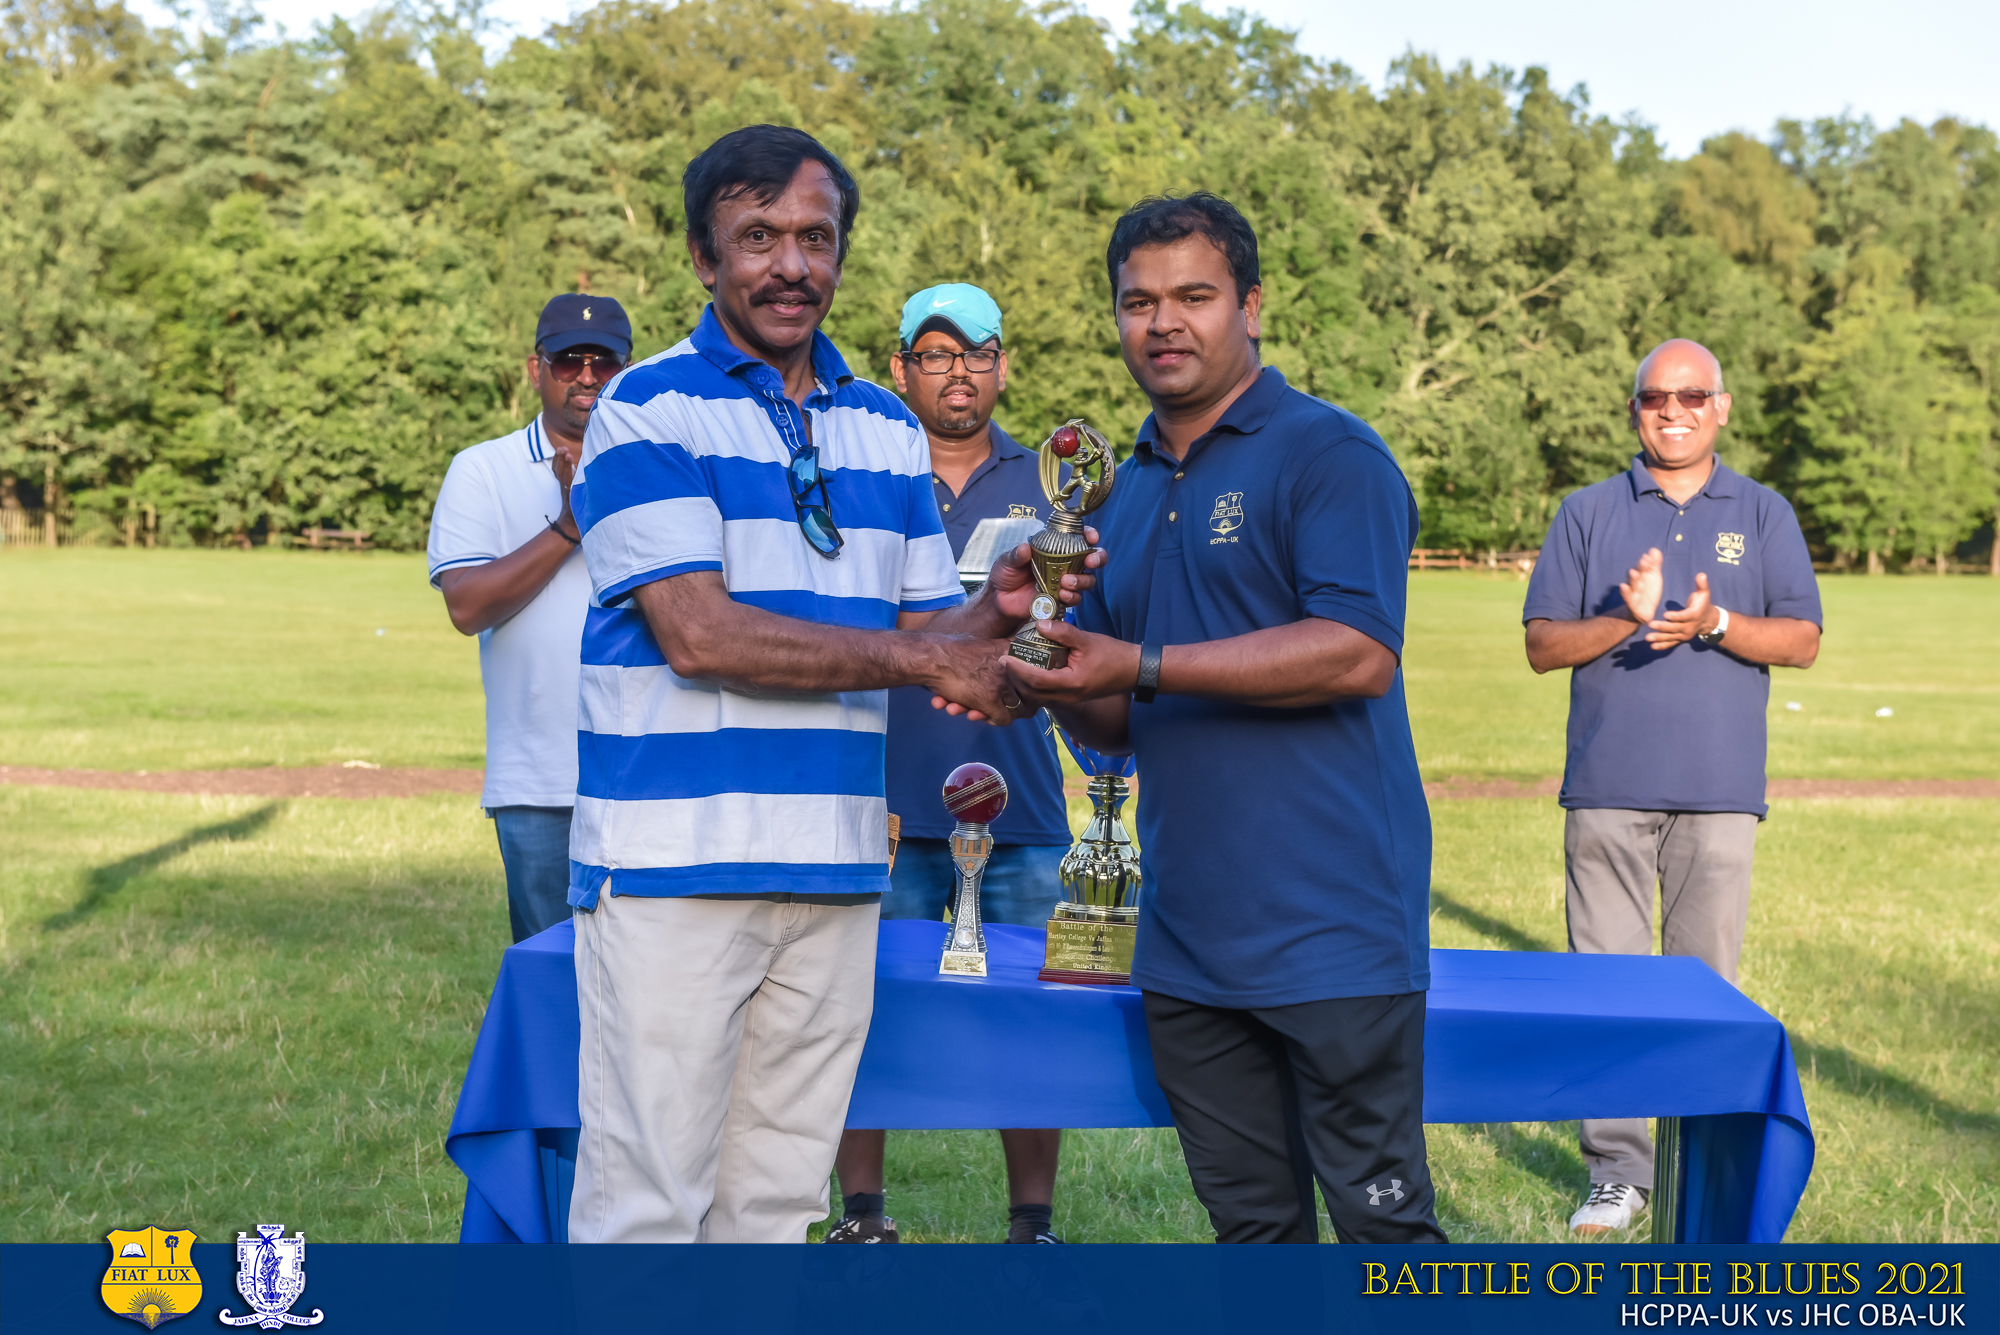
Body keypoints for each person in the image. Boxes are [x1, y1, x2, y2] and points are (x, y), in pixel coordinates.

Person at [562, 125, 1101, 1245]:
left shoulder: (885, 426)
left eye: (815, 237)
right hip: (673, 870)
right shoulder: (645, 409)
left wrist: (1001, 611)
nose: (790, 264)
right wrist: (933, 653)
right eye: (757, 236)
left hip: (839, 868)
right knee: (647, 1203)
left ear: (842, 253)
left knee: (773, 1205)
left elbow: (924, 633)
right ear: (703, 257)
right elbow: (699, 633)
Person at [1001, 193, 1447, 1245]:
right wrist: (1043, 673)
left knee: (1384, 1235)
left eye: (1193, 296)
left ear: (1249, 306)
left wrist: (1140, 663)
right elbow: (1118, 721)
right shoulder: (1116, 489)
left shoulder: (1328, 453)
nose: (1163, 323)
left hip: (1332, 930)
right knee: (1251, 1235)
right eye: (1137, 302)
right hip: (1188, 941)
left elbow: (1358, 653)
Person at [1521, 338, 1822, 1235]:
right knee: (1607, 993)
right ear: (1635, 411)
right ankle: (1618, 1174)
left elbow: (1803, 639)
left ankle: (1699, 1171)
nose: (1674, 410)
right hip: (1606, 787)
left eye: (1693, 395)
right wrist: (1627, 616)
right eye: (1656, 397)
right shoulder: (1588, 510)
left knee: (1706, 993)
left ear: (1721, 407)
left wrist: (1715, 620)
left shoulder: (1763, 511)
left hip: (1721, 790)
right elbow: (1541, 644)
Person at [825, 284, 1072, 1246]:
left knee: (1031, 1020)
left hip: (1024, 807)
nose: (958, 371)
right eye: (935, 353)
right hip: (880, 802)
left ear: (1002, 364)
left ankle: (1032, 1223)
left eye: (977, 352)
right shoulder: (863, 477)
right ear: (900, 368)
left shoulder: (1053, 484)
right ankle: (862, 1214)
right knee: (855, 1015)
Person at [426, 294, 632, 943]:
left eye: (605, 362)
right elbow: (466, 606)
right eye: (570, 360)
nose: (588, 376)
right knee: (549, 969)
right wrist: (569, 526)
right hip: (538, 780)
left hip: (648, 771)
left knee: (653, 974)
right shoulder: (482, 469)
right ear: (535, 368)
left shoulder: (661, 464)